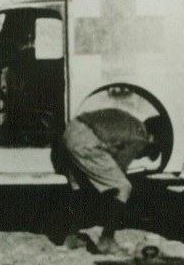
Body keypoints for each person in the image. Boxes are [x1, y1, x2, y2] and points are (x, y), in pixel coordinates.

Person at [54, 107, 158, 256]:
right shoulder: (141, 137)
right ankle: (107, 241)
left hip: (70, 132)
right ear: (152, 138)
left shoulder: (131, 122)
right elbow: (120, 168)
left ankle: (71, 238)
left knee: (78, 186)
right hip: (86, 142)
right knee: (123, 187)